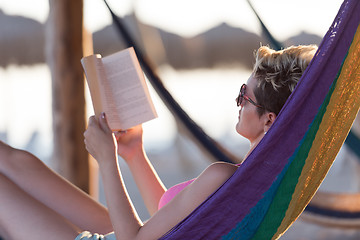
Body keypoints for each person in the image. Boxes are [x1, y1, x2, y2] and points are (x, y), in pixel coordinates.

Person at [0, 44, 317, 240]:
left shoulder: (225, 175)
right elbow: (173, 220)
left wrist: (107, 159)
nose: (237, 103)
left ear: (269, 120)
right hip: (118, 230)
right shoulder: (250, 183)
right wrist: (134, 154)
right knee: (17, 162)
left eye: (243, 96)